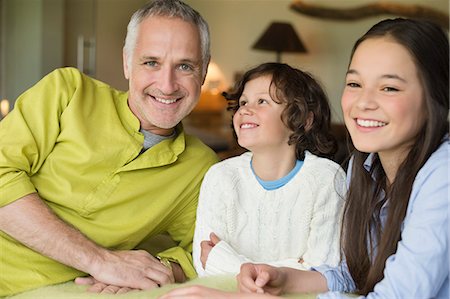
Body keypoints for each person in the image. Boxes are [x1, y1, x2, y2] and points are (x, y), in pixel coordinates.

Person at [159, 18, 449, 299]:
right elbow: (350, 274)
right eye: (354, 84)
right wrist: (282, 277)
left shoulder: (443, 173)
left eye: (389, 87)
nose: (364, 102)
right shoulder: (364, 170)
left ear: (436, 97)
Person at [0, 0, 218, 296]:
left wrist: (161, 267)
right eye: (151, 62)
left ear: (203, 72)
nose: (167, 85)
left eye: (184, 66)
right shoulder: (67, 91)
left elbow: (206, 251)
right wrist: (99, 260)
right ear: (127, 62)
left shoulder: (200, 167)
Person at [192, 63, 345, 277]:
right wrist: (294, 266)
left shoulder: (326, 179)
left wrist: (229, 263)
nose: (244, 109)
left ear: (303, 120)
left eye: (262, 101)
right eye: (243, 102)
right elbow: (205, 263)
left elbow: (322, 270)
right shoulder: (220, 177)